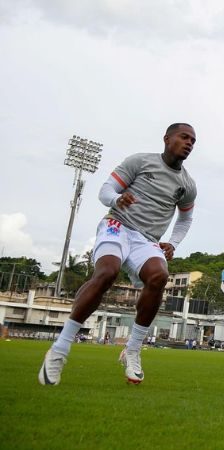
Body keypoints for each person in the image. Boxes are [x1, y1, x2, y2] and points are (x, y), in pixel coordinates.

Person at [39, 123, 197, 386]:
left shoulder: (187, 184)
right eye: (184, 137)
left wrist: (173, 243)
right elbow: (105, 191)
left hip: (147, 239)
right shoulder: (140, 161)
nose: (189, 143)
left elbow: (185, 219)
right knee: (108, 272)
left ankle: (132, 350)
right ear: (167, 138)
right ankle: (59, 350)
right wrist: (117, 200)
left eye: (193, 140)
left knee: (159, 277)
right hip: (118, 225)